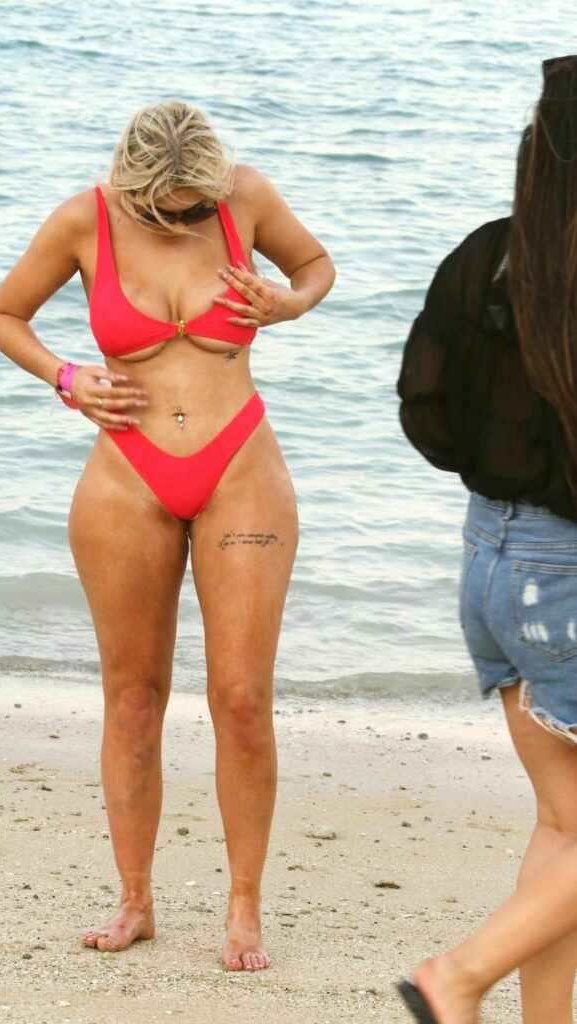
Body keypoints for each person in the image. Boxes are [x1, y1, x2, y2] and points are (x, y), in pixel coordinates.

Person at [0, 100, 335, 972]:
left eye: (194, 208)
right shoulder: (82, 219)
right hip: (124, 478)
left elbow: (316, 267)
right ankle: (134, 900)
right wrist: (67, 377)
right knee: (133, 700)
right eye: (162, 209)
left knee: (241, 700)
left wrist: (287, 303)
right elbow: (3, 316)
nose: (181, 220)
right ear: (129, 184)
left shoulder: (246, 197)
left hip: (239, 467)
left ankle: (243, 907)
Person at [396, 55, 577, 1023]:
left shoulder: (482, 255)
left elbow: (425, 415)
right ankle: (456, 976)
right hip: (565, 578)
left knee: (564, 825)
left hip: (489, 562)